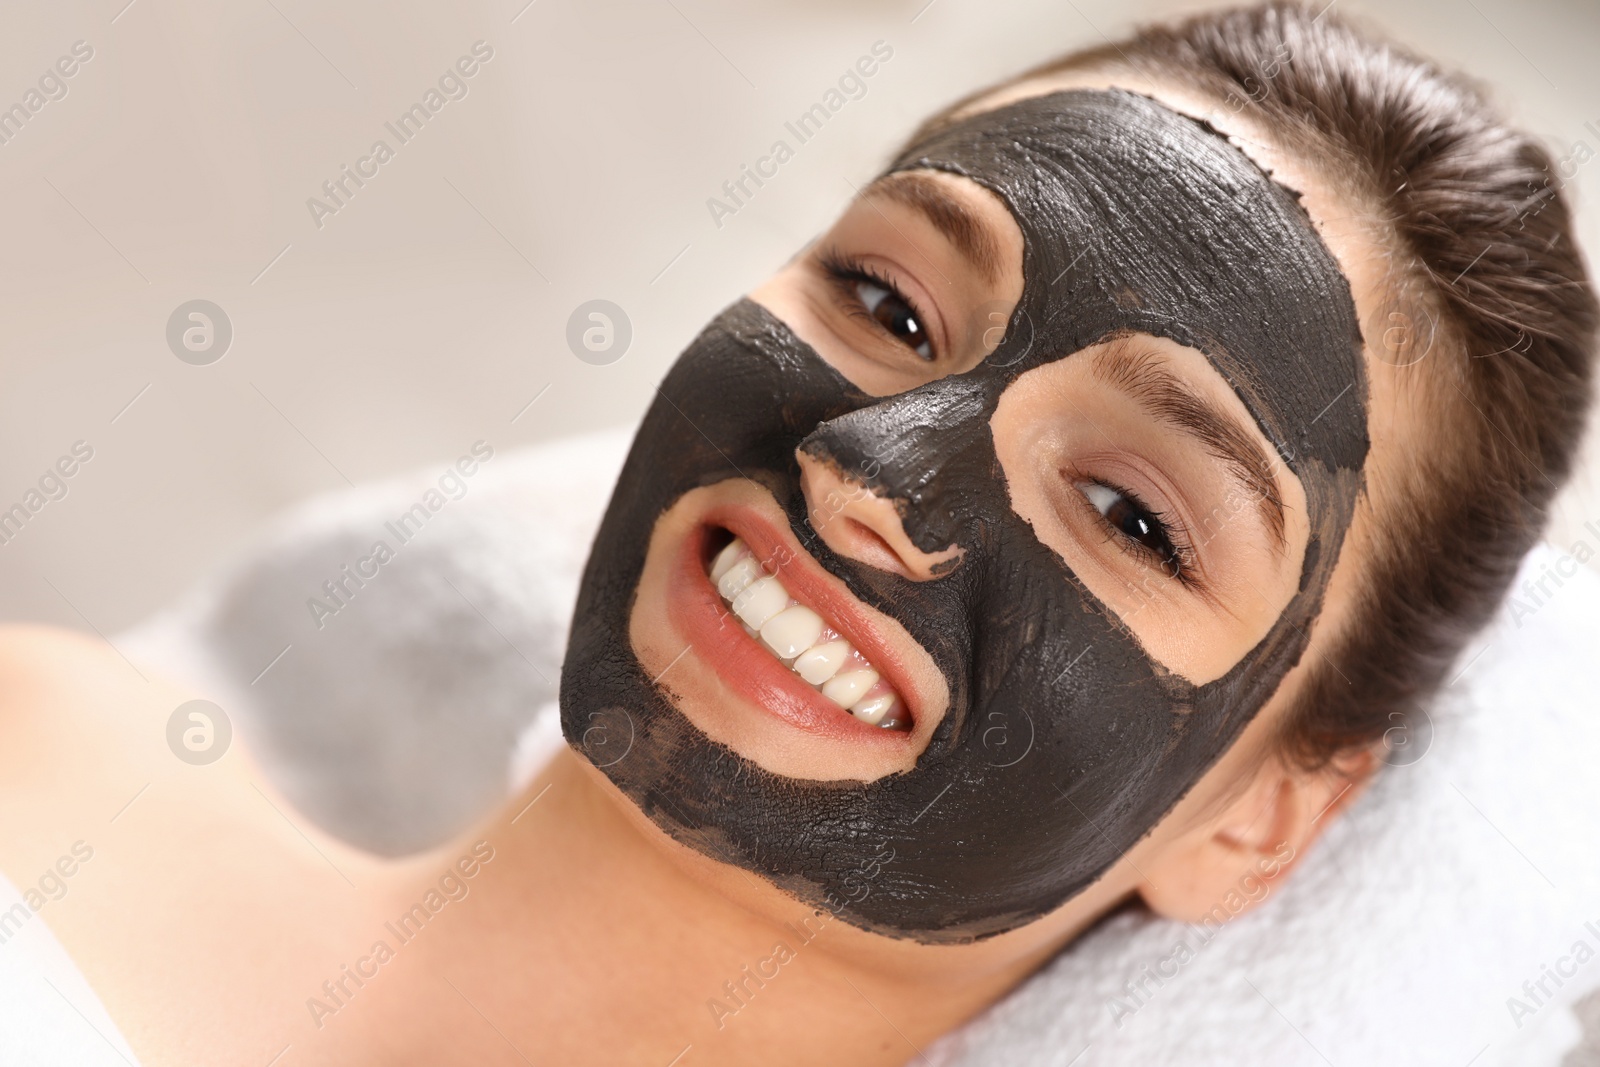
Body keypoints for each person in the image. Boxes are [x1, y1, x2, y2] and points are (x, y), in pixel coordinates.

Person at [1, 3, 1593, 1063]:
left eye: (1131, 512)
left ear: (1263, 823)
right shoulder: (43, 754)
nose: (878, 478)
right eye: (891, 302)